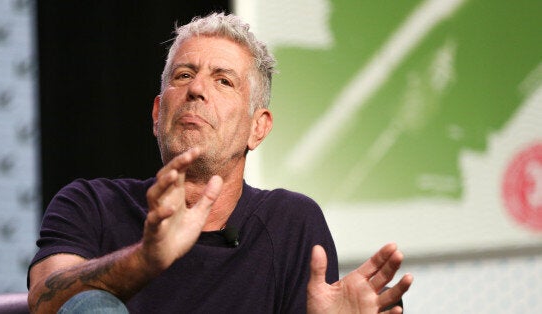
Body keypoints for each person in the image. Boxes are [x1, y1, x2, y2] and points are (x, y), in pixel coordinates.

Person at [27, 11, 413, 314]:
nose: (196, 89)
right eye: (183, 75)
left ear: (257, 129)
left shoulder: (290, 222)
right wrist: (146, 258)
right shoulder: (90, 204)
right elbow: (45, 299)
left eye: (223, 81)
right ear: (158, 114)